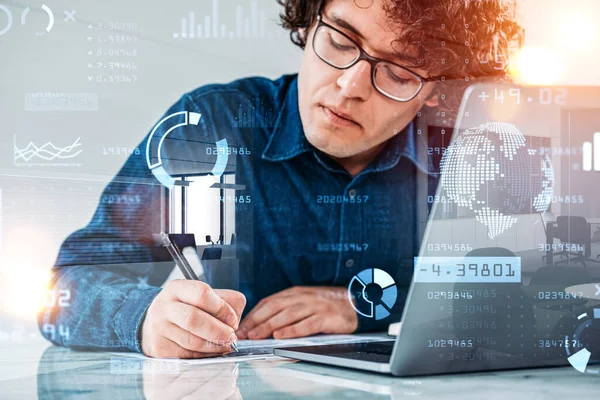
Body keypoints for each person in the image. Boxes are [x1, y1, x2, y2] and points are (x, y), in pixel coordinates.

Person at [38, 0, 523, 358]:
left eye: (398, 72)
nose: (349, 87)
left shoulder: (472, 155)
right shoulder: (211, 130)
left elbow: (535, 297)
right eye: (339, 41)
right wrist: (145, 319)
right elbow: (67, 286)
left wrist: (372, 305)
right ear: (310, 20)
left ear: (438, 93)